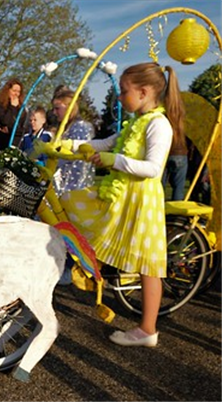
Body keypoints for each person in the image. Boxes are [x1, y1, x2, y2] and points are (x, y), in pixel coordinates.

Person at [59, 62, 185, 347]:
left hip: (142, 202)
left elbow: (153, 168)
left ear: (143, 92)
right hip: (126, 199)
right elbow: (105, 144)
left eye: (124, 91)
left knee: (148, 265)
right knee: (71, 206)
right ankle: (82, 271)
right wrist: (67, 146)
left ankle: (147, 330)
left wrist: (114, 161)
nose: (119, 96)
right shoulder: (136, 123)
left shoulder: (158, 124)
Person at [50, 89, 95, 197]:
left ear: (69, 107)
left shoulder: (80, 128)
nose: (54, 112)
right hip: (62, 187)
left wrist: (68, 192)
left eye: (57, 108)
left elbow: (78, 166)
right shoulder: (66, 128)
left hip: (73, 191)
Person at [0, 78, 26, 152]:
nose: (16, 94)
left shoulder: (22, 110)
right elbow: (5, 121)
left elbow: (22, 126)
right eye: (14, 91)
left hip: (16, 144)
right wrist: (12, 107)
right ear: (8, 91)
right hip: (2, 145)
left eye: (18, 92)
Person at [162, 136, 188, 201]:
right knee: (179, 187)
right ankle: (177, 205)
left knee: (161, 185)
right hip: (181, 154)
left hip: (165, 153)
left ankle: (158, 204)